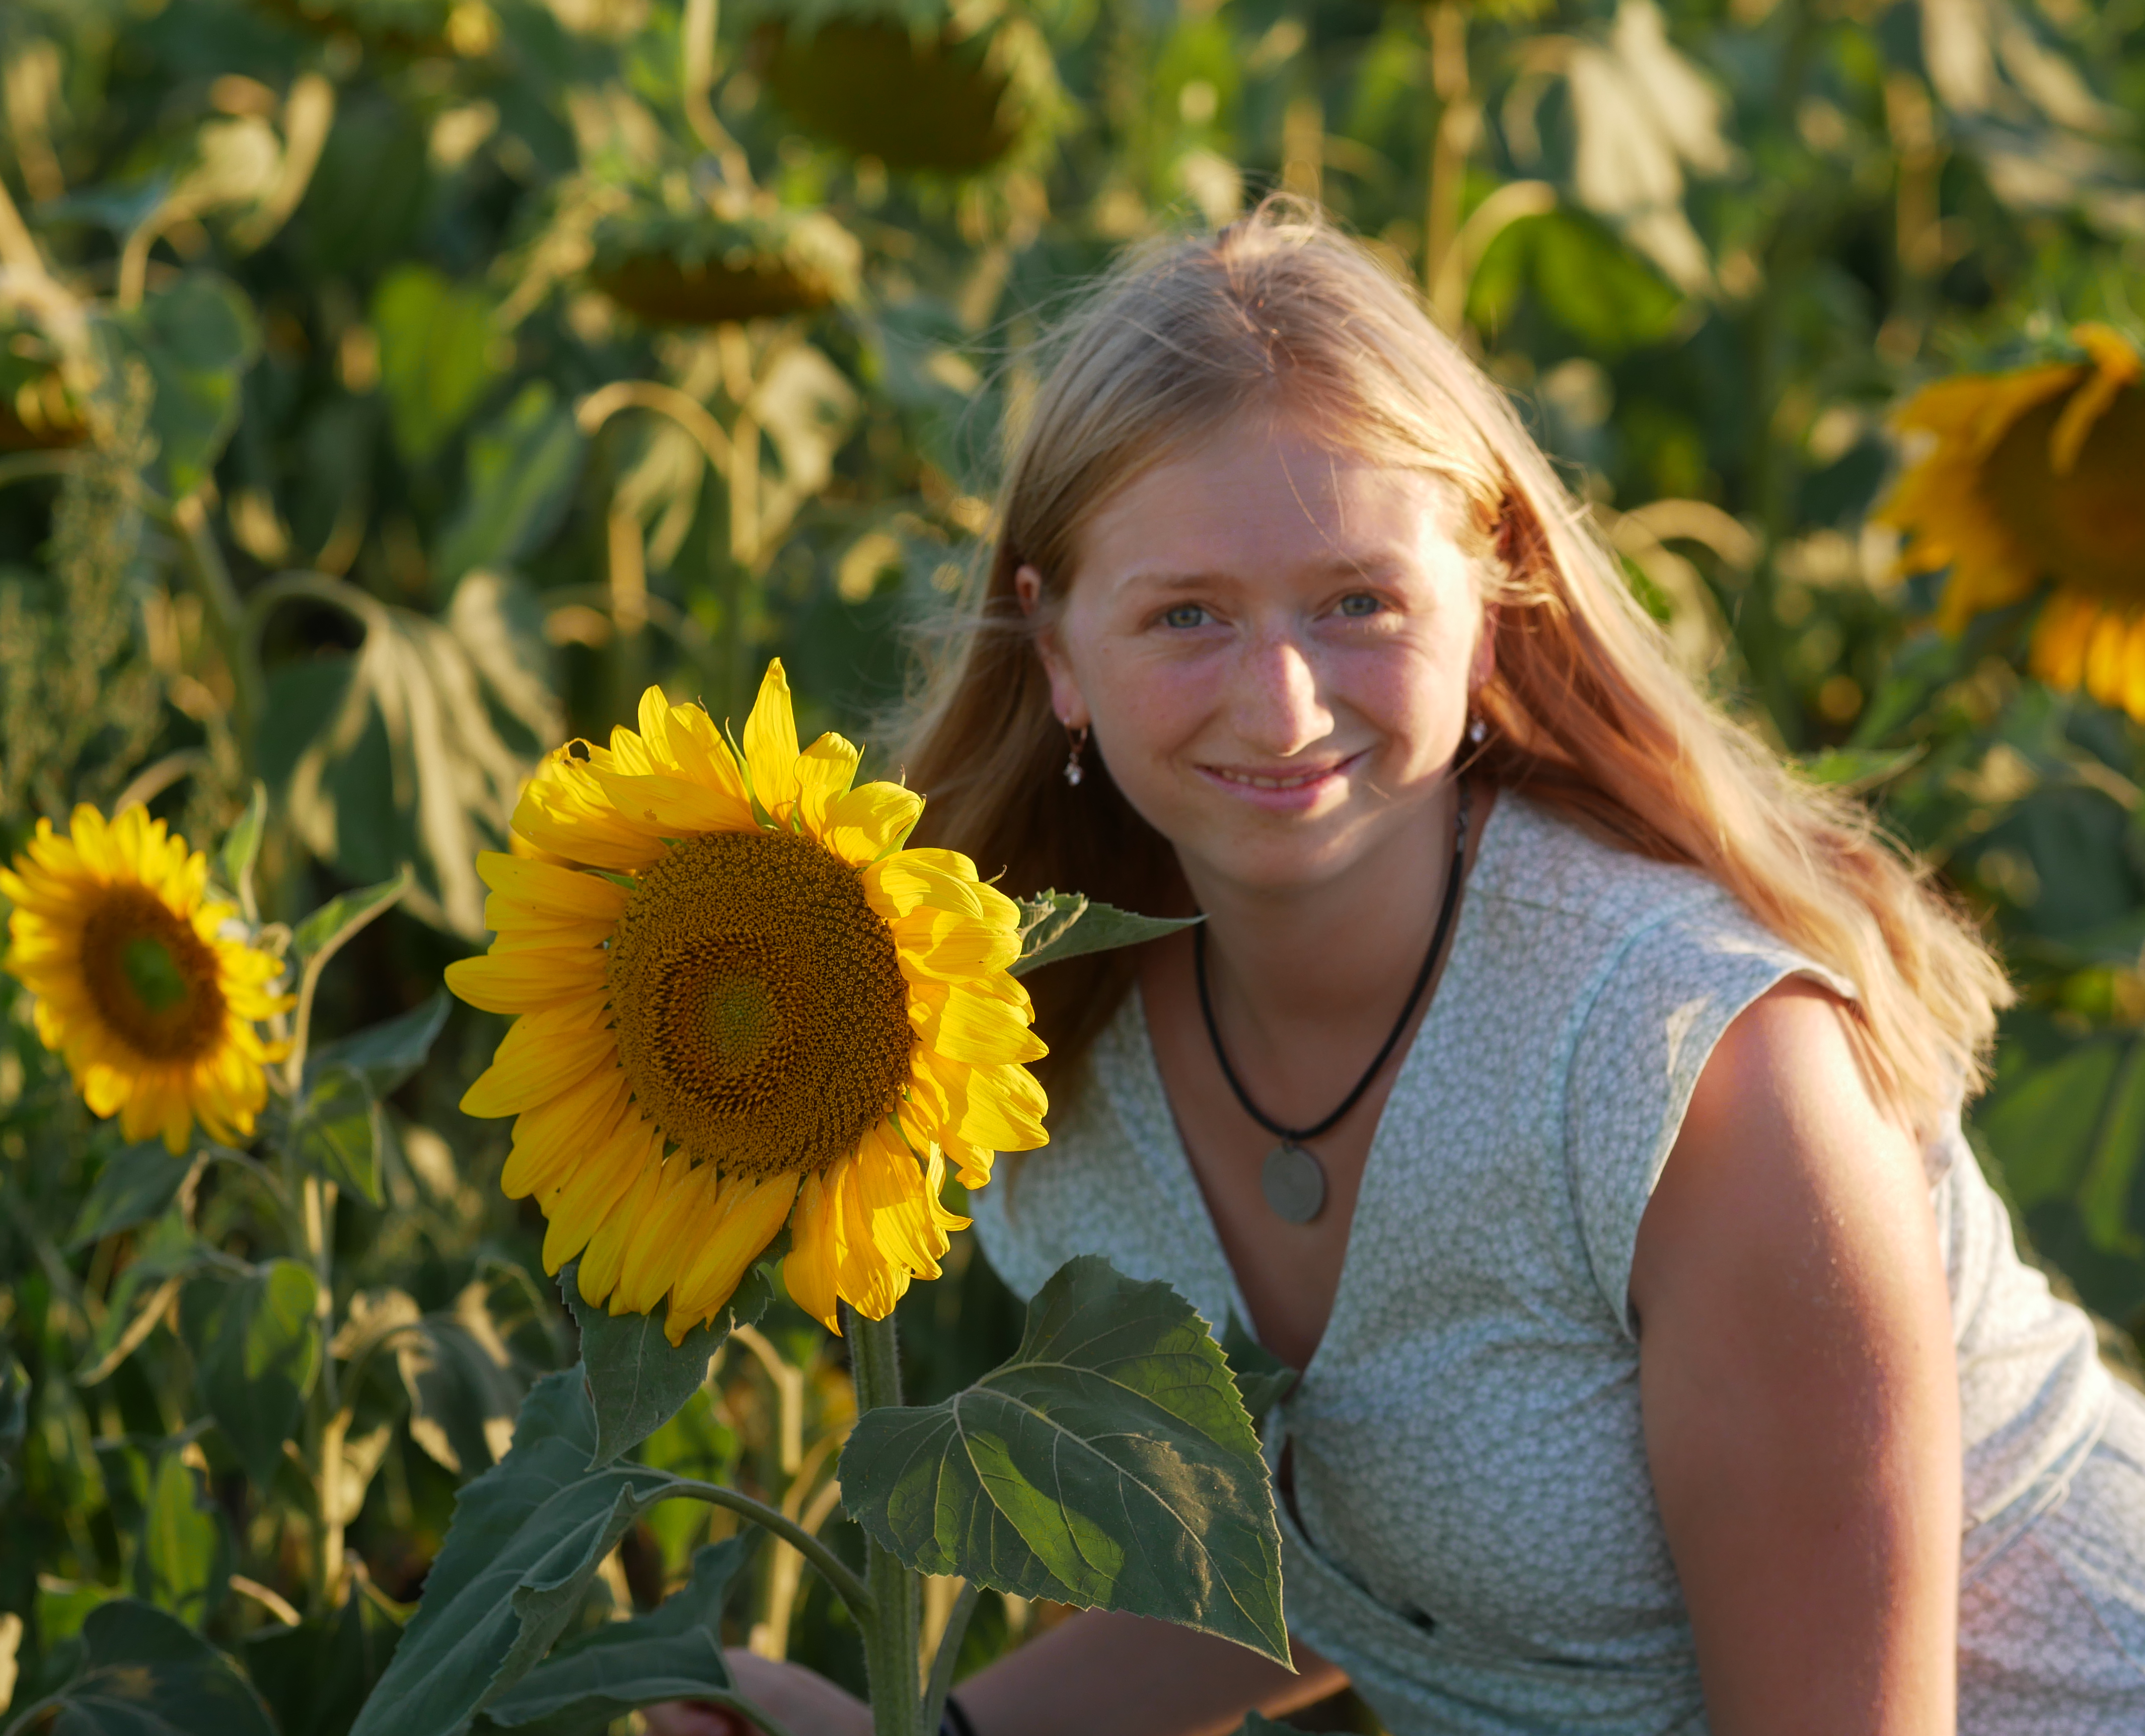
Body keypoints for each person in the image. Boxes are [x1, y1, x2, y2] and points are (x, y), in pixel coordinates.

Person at [647, 202, 2145, 1736]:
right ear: (1057, 653)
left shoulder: (1692, 1070)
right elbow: (1355, 1555)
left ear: (1486, 606)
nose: (1283, 704)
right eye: (1187, 616)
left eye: (1356, 601)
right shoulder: (1034, 1050)